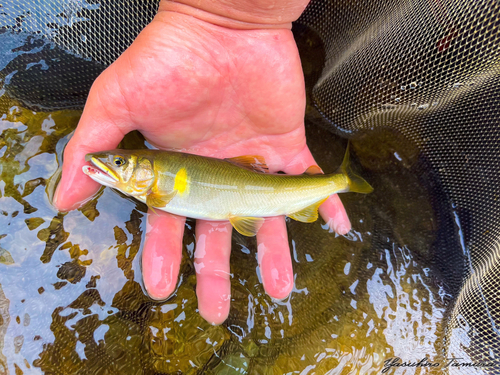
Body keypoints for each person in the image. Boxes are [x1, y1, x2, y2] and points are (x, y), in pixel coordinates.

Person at [53, 0, 351, 325]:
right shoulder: (153, 184)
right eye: (121, 163)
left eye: (122, 164)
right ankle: (341, 180)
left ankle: (341, 179)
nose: (112, 165)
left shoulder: (155, 191)